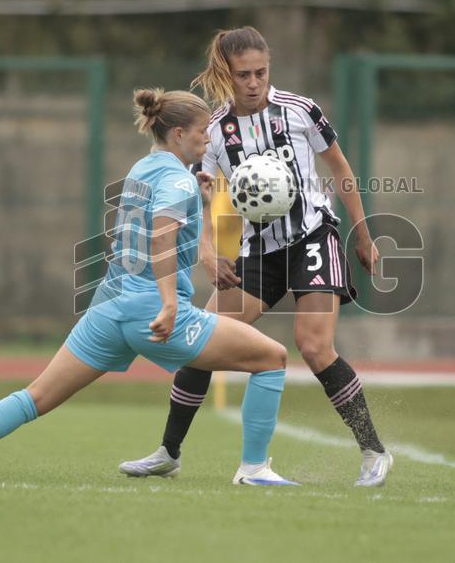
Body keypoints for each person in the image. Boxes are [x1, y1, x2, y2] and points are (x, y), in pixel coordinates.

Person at [0, 88, 299, 486]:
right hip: (151, 311)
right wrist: (169, 304)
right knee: (272, 357)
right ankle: (253, 469)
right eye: (201, 132)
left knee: (35, 397)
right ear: (178, 134)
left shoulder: (143, 169)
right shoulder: (177, 180)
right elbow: (162, 238)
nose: (207, 139)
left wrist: (206, 202)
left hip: (110, 308)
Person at [118, 26, 392, 487]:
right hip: (259, 250)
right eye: (243, 74)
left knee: (314, 346)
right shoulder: (216, 130)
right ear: (228, 73)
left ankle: (373, 451)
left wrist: (363, 234)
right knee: (199, 339)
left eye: (261, 72)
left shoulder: (302, 111)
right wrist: (207, 250)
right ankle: (169, 452)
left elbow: (340, 169)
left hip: (312, 237)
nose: (253, 82)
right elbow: (202, 195)